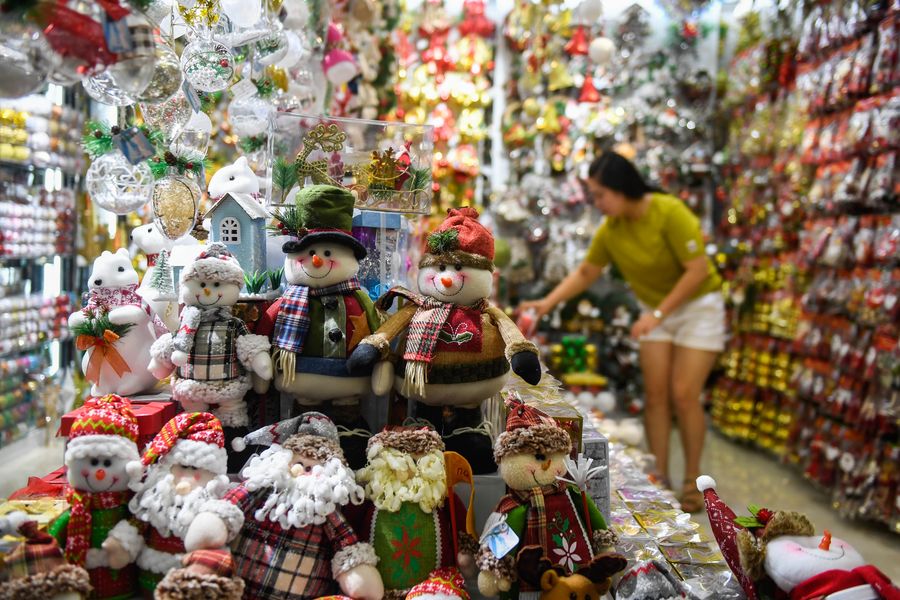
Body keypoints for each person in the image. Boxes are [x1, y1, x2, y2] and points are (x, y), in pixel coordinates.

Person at [519, 151, 725, 512]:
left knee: (684, 394)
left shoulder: (669, 211)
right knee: (655, 395)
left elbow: (697, 271)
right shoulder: (612, 230)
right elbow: (586, 273)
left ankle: (695, 483)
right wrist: (546, 303)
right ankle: (660, 480)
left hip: (696, 307)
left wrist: (658, 314)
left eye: (600, 194)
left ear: (621, 187)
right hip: (654, 311)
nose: (596, 202)